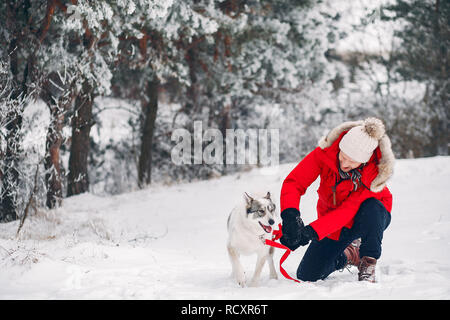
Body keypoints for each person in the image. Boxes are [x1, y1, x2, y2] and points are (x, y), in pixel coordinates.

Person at [279, 117, 395, 282]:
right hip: (333, 222)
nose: (344, 164)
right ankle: (349, 254)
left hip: (367, 219)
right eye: (343, 156)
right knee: (307, 275)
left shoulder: (373, 176)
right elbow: (295, 182)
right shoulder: (324, 154)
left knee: (373, 208)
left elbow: (347, 212)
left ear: (365, 160)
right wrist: (290, 216)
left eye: (352, 161)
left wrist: (310, 232)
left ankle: (367, 261)